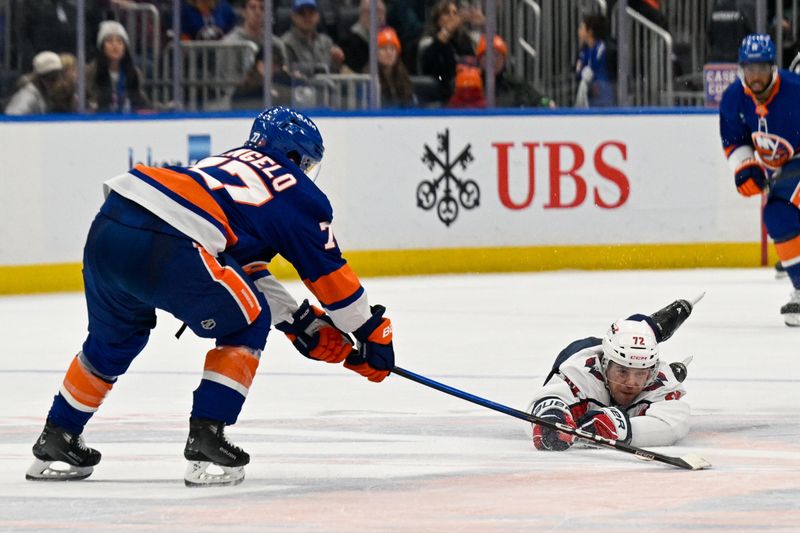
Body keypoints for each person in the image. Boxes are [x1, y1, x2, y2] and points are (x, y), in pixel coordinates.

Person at [25, 106, 396, 486]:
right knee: (249, 322)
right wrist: (370, 331)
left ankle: (58, 434)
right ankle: (207, 435)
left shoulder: (219, 163)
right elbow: (329, 275)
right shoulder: (295, 190)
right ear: (294, 156)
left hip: (110, 224)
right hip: (170, 241)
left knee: (114, 341)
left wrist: (302, 324)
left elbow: (240, 272)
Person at [528, 298, 695, 451]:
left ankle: (672, 365)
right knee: (631, 331)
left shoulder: (660, 381)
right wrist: (550, 416)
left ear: (652, 372)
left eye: (641, 373)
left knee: (636, 340)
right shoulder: (582, 373)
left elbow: (674, 425)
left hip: (624, 355)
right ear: (605, 365)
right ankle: (656, 325)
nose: (631, 382)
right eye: (622, 371)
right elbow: (549, 396)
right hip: (581, 348)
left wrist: (618, 428)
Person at [719, 33, 800, 326]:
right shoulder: (733, 99)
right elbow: (734, 140)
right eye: (750, 68)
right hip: (779, 169)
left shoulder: (795, 89)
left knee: (792, 189)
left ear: (773, 67)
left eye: (762, 68)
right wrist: (744, 166)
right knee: (776, 215)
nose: (755, 76)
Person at [86, 20, 151, 113]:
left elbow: (140, 100)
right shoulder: (91, 71)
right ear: (101, 46)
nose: (115, 46)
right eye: (109, 41)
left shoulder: (134, 72)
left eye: (119, 41)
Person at [418, 0, 476, 104]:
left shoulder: (464, 40)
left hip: (465, 92)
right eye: (446, 13)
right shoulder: (428, 41)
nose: (452, 17)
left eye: (454, 13)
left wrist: (484, 25)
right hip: (437, 96)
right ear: (438, 19)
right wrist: (447, 31)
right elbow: (429, 65)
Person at [476, 34, 556, 108]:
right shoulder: (472, 84)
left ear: (504, 60)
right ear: (479, 60)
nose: (493, 60)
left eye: (497, 55)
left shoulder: (516, 84)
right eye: (488, 55)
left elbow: (541, 100)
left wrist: (548, 103)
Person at [281, 0, 345, 78]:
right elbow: (286, 72)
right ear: (293, 17)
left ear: (318, 16)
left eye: (311, 13)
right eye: (302, 13)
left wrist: (336, 63)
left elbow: (333, 75)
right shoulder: (285, 43)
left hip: (325, 88)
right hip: (299, 88)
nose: (307, 17)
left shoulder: (326, 42)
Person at [5, 51, 67, 115]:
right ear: (40, 79)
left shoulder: (43, 96)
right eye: (52, 78)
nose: (56, 83)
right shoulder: (26, 98)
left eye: (58, 77)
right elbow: (12, 120)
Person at [574, 13, 615, 108]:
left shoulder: (603, 49)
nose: (579, 31)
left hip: (602, 98)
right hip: (590, 96)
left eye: (581, 28)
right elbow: (579, 73)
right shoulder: (584, 51)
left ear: (590, 32)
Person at [339, 0, 387, 74]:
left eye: (381, 12)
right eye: (369, 12)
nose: (377, 16)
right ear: (361, 15)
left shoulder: (389, 37)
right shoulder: (349, 41)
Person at [376, 27, 415, 108]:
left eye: (392, 48)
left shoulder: (403, 77)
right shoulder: (369, 78)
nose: (389, 52)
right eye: (384, 48)